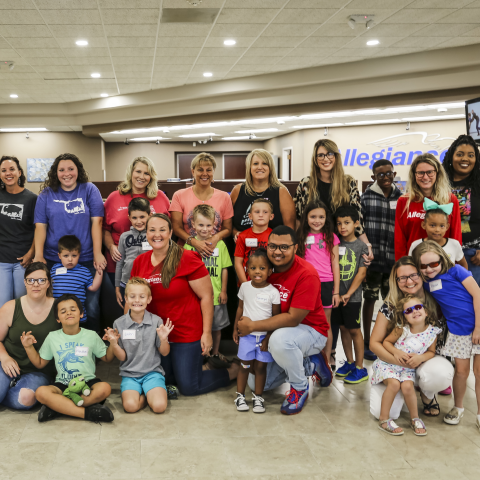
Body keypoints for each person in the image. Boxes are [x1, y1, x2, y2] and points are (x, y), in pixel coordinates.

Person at [130, 214, 238, 396]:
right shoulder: (140, 262)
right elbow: (132, 300)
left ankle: (233, 371)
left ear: (171, 232)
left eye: (162, 230)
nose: (157, 235)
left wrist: (206, 334)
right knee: (166, 381)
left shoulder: (187, 258)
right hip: (157, 334)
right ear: (146, 233)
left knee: (188, 387)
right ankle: (200, 367)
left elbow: (206, 296)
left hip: (186, 333)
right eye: (152, 230)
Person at [294, 139, 374, 367]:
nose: (325, 158)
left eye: (330, 154)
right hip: (312, 248)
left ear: (336, 157)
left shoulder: (347, 182)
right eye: (320, 154)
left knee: (335, 306)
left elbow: (356, 218)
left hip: (343, 247)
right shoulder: (306, 184)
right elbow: (300, 219)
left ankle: (331, 355)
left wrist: (366, 245)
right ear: (315, 158)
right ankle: (319, 354)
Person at [238, 226, 333, 416]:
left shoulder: (307, 273)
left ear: (295, 248)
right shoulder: (263, 268)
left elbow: (293, 318)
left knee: (280, 341)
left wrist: (253, 327)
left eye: (284, 247)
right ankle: (310, 364)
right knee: (257, 384)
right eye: (273, 246)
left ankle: (299, 387)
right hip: (278, 330)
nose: (277, 252)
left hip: (311, 331)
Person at [369, 257, 454, 420]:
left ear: (421, 275)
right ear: (396, 281)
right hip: (395, 363)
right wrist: (397, 360)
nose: (409, 281)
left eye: (413, 275)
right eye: (402, 278)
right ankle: (401, 388)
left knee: (440, 373)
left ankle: (427, 392)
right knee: (387, 412)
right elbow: (374, 343)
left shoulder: (436, 298)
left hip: (425, 359)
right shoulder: (390, 305)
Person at [33, 153, 106, 332]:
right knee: (57, 307)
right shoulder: (47, 194)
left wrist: (97, 253)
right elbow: (40, 226)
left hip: (86, 259)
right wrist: (38, 254)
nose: (67, 173)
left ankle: (92, 348)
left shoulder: (89, 189)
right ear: (55, 173)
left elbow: (97, 222)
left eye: (71, 169)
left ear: (78, 171)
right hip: (54, 259)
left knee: (91, 307)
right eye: (62, 170)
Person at [412, 241, 480, 429]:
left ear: (442, 259)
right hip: (458, 331)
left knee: (479, 372)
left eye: (434, 264)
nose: (429, 269)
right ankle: (458, 408)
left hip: (478, 326)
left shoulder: (457, 271)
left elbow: (478, 295)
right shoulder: (425, 283)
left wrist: (478, 328)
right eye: (423, 266)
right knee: (461, 372)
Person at [21, 293, 115, 423]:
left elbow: (107, 358)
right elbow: (40, 363)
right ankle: (87, 413)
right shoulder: (52, 337)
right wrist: (28, 347)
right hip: (63, 384)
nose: (68, 313)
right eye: (63, 311)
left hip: (87, 382)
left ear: (81, 314)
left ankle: (59, 407)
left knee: (105, 388)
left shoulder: (91, 335)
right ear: (58, 318)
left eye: (73, 309)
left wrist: (113, 343)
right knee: (41, 392)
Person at [103, 156, 169, 309]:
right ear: (131, 173)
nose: (141, 176)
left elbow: (168, 229)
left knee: (153, 310)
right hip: (121, 266)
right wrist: (111, 246)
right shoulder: (114, 197)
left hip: (154, 267)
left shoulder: (160, 197)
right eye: (138, 171)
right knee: (122, 310)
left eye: (146, 173)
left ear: (151, 176)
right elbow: (105, 229)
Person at [373, 296, 440, 436]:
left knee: (408, 387)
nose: (414, 311)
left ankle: (414, 418)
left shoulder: (432, 333)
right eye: (409, 310)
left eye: (417, 307)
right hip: (388, 364)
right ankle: (384, 419)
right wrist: (396, 352)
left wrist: (421, 357)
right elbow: (386, 342)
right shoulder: (401, 329)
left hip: (407, 368)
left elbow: (431, 352)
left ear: (426, 311)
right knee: (394, 384)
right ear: (404, 317)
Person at [105, 277, 172, 414]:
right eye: (132, 296)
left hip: (152, 373)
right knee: (130, 407)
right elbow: (122, 357)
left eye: (142, 297)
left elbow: (165, 353)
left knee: (159, 407)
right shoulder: (119, 323)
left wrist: (163, 339)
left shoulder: (156, 321)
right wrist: (114, 344)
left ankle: (152, 395)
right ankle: (145, 397)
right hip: (130, 374)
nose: (137, 300)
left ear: (149, 299)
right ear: (126, 299)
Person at [0, 263, 59, 410]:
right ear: (25, 283)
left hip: (39, 371)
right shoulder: (10, 307)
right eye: (31, 280)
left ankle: (9, 391)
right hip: (8, 364)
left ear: (49, 283)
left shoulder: (59, 308)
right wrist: (4, 358)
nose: (36, 284)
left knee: (25, 399)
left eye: (41, 280)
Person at [361, 159, 402, 361]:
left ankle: (387, 340)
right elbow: (360, 227)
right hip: (372, 261)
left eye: (388, 173)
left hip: (394, 261)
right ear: (373, 177)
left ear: (394, 174)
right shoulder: (366, 198)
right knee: (369, 299)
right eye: (380, 175)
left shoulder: (402, 198)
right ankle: (367, 341)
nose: (385, 177)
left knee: (391, 303)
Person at [233, 249, 281, 413]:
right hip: (246, 336)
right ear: (247, 270)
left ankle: (258, 398)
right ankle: (240, 396)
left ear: (270, 271)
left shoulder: (273, 292)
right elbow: (239, 309)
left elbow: (276, 318)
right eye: (253, 268)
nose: (257, 272)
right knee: (244, 366)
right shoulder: (245, 287)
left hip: (263, 338)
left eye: (262, 268)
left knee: (261, 368)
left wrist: (268, 338)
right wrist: (235, 328)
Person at [184, 204, 232, 368]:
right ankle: (202, 354)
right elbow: (185, 272)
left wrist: (224, 290)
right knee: (199, 328)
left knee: (216, 328)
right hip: (196, 297)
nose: (205, 229)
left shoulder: (220, 245)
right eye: (201, 225)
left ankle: (215, 353)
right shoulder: (189, 246)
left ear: (215, 225)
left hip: (216, 296)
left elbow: (225, 268)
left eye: (208, 225)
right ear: (193, 224)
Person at [296, 200, 339, 370]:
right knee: (306, 321)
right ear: (306, 217)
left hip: (326, 283)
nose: (317, 220)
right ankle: (307, 359)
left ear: (326, 218)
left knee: (325, 322)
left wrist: (336, 291)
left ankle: (326, 361)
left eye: (321, 217)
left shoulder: (331, 237)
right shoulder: (300, 236)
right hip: (307, 284)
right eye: (313, 216)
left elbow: (335, 264)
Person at [394, 153, 462, 260]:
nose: (425, 177)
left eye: (430, 172)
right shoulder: (404, 201)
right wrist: (402, 265)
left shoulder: (450, 199)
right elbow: (399, 239)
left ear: (437, 173)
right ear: (414, 175)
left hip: (443, 263)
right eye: (421, 173)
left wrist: (454, 265)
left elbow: (456, 235)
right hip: (415, 261)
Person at [170, 152, 233, 257]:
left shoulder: (224, 197)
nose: (205, 173)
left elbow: (227, 229)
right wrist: (195, 242)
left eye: (209, 170)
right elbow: (176, 228)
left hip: (215, 252)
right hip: (185, 252)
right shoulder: (179, 195)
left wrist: (214, 239)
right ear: (193, 171)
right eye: (200, 170)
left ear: (213, 172)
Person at [332, 206, 369, 384]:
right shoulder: (334, 243)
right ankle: (349, 362)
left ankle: (360, 368)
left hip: (352, 297)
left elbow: (361, 274)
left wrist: (348, 294)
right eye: (339, 223)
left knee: (354, 330)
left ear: (356, 223)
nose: (342, 227)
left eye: (346, 223)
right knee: (343, 328)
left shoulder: (361, 246)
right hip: (337, 296)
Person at [231, 149, 296, 240]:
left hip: (272, 249)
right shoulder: (238, 190)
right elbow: (228, 224)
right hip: (241, 248)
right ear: (250, 167)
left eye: (265, 163)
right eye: (255, 164)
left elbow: (289, 229)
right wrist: (236, 233)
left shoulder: (281, 192)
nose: (260, 167)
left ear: (270, 167)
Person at [0, 156, 37, 308]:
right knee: (3, 305)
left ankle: (23, 333)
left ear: (19, 172)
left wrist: (31, 254)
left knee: (23, 304)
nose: (8, 173)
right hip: (2, 261)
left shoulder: (32, 199)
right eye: (3, 170)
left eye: (12, 169)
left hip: (23, 261)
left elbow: (39, 230)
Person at [443, 135, 480, 284]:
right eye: (460, 154)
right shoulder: (439, 183)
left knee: (474, 304)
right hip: (442, 254)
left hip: (474, 256)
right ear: (452, 156)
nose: (465, 159)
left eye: (471, 155)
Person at [51, 235, 103, 328]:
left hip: (78, 316)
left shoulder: (84, 271)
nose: (70, 259)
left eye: (74, 255)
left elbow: (93, 287)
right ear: (59, 255)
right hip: (57, 315)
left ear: (79, 255)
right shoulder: (54, 269)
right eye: (66, 256)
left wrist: (100, 271)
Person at [408, 200, 467, 269]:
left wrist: (464, 279)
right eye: (432, 225)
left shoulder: (454, 244)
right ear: (423, 225)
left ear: (447, 227)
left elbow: (463, 264)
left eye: (442, 226)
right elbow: (410, 267)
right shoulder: (415, 245)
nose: (437, 230)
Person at [115, 197, 151, 307]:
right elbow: (120, 262)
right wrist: (117, 287)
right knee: (128, 315)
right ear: (129, 218)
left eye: (142, 217)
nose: (138, 221)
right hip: (126, 283)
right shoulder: (124, 237)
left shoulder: (154, 235)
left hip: (149, 283)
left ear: (149, 215)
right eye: (134, 218)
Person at [234, 199, 273, 285]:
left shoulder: (274, 236)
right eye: (257, 212)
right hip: (246, 281)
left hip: (269, 283)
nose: (261, 215)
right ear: (250, 216)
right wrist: (245, 285)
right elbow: (238, 263)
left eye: (265, 212)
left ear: (271, 216)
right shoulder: (243, 236)